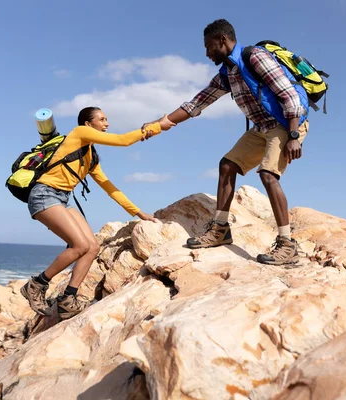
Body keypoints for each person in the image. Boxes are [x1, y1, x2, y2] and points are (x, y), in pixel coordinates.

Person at [144, 19, 310, 266]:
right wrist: (162, 122)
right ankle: (220, 229)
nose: (207, 53)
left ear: (222, 39)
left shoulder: (255, 57)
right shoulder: (226, 74)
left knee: (268, 174)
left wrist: (294, 136)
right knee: (227, 165)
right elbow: (196, 104)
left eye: (209, 46)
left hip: (287, 123)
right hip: (262, 127)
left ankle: (287, 244)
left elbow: (290, 96)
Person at [21, 107, 174, 320]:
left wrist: (138, 213)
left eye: (106, 119)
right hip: (44, 195)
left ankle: (67, 299)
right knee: (80, 246)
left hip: (61, 199)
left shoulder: (90, 156)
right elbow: (122, 141)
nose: (107, 123)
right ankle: (36, 285)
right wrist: (156, 128)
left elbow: (108, 186)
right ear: (88, 124)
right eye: (102, 119)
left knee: (92, 247)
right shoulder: (78, 133)